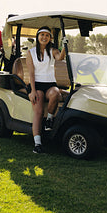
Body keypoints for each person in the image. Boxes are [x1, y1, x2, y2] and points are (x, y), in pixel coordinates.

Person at [26, 26, 67, 154]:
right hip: (36, 85)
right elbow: (31, 73)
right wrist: (32, 91)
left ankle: (49, 119)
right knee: (38, 111)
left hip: (50, 83)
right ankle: (37, 144)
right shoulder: (31, 52)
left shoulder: (53, 50)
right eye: (42, 35)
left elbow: (60, 57)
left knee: (56, 93)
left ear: (50, 38)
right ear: (38, 37)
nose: (44, 37)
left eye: (47, 35)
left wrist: (65, 46)